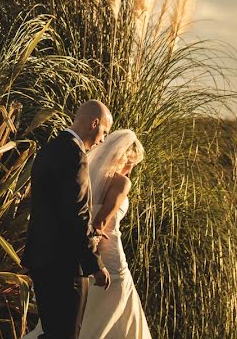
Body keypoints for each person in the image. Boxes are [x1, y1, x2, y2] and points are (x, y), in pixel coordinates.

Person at [22, 100, 114, 339]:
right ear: (94, 124)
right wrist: (95, 265)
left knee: (53, 332)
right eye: (104, 132)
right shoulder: (75, 156)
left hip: (41, 259)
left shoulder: (48, 150)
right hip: (64, 265)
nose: (102, 140)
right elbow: (77, 215)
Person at [78, 129, 151, 338]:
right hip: (109, 256)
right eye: (132, 164)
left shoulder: (87, 175)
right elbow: (100, 221)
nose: (130, 170)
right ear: (125, 158)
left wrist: (85, 254)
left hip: (83, 250)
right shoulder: (121, 182)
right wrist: (96, 259)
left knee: (85, 312)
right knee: (114, 309)